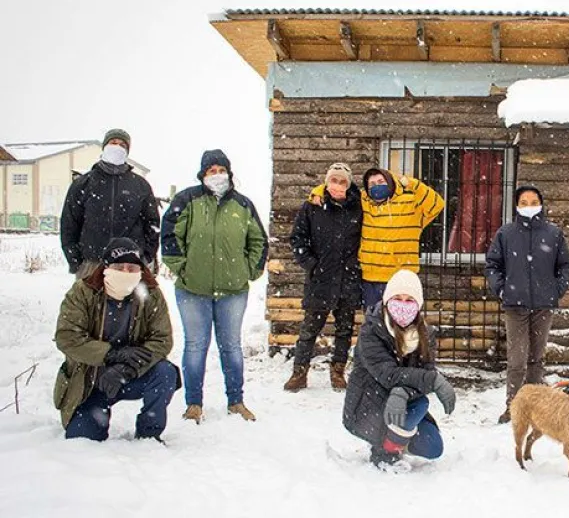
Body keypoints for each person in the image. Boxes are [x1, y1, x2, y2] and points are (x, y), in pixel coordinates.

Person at [161, 149, 268, 424]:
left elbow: (258, 240)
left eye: (221, 170)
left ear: (229, 173)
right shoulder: (187, 199)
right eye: (211, 171)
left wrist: (249, 270)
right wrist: (181, 267)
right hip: (192, 289)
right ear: (203, 175)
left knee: (230, 346)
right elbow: (170, 235)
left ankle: (236, 401)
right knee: (196, 345)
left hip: (232, 291)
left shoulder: (242, 205)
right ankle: (193, 404)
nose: (217, 175)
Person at [54, 238, 179, 442]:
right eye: (119, 267)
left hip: (131, 375)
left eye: (132, 267)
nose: (126, 272)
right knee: (83, 440)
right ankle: (93, 416)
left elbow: (162, 340)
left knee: (165, 373)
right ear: (105, 267)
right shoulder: (82, 292)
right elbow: (67, 337)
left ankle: (149, 433)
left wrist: (127, 368)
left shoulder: (151, 294)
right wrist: (111, 354)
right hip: (91, 381)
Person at [342, 269, 457, 470]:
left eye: (409, 300)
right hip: (369, 404)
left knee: (432, 447)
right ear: (387, 300)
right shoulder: (371, 330)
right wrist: (434, 380)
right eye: (397, 298)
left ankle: (397, 436)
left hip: (404, 403)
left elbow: (424, 370)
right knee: (420, 402)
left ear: (418, 305)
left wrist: (402, 391)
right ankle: (385, 449)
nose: (403, 305)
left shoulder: (425, 334)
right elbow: (387, 374)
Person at [484, 185, 569, 424]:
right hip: (515, 305)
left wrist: (557, 289)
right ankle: (513, 406)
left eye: (534, 201)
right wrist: (501, 289)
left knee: (536, 358)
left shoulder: (553, 234)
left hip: (543, 305)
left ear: (541, 204)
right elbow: (492, 265)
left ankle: (535, 408)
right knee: (517, 359)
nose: (529, 206)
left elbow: (565, 265)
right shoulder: (506, 233)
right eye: (524, 202)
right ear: (517, 206)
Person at [283, 163, 362, 392]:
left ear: (349, 184)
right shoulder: (312, 205)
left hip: (348, 280)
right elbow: (298, 238)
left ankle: (338, 372)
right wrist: (310, 264)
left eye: (342, 181)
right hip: (320, 280)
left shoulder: (358, 207)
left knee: (344, 330)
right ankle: (299, 373)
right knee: (309, 330)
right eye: (334, 180)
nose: (337, 185)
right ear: (326, 182)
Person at [60, 129, 160, 278]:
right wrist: (76, 262)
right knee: (88, 302)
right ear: (104, 147)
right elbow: (69, 225)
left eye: (122, 145)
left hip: (129, 266)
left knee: (130, 302)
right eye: (113, 143)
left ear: (127, 151)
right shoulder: (83, 184)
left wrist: (146, 257)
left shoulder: (140, 185)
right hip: (91, 265)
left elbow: (152, 225)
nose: (117, 147)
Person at [358, 168, 444, 311]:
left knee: (401, 323)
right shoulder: (364, 203)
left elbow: (437, 204)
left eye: (381, 181)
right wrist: (318, 192)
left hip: (402, 278)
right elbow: (339, 191)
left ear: (391, 182)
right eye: (371, 184)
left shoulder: (411, 203)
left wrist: (413, 184)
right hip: (371, 278)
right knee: (374, 323)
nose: (376, 186)